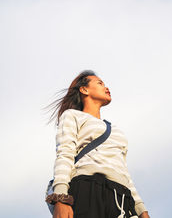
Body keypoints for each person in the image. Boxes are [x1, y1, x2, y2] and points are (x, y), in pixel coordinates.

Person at [45, 70, 150, 218]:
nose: (106, 87)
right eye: (100, 83)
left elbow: (124, 172)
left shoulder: (117, 131)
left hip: (122, 197)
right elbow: (65, 154)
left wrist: (141, 210)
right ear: (84, 89)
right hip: (87, 188)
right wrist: (61, 198)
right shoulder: (72, 115)